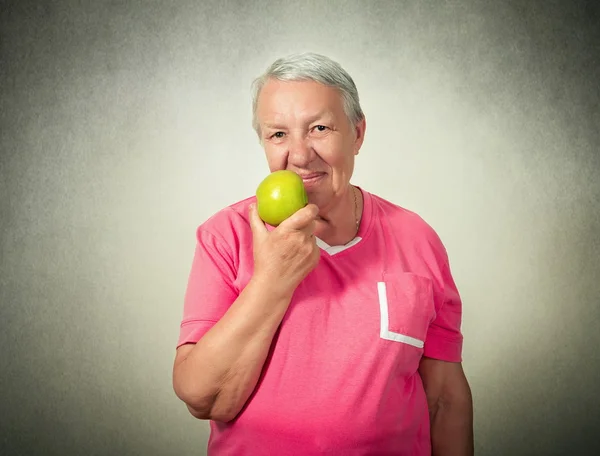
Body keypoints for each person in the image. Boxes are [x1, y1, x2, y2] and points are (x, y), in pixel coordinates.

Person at [172, 52, 474, 456]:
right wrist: (273, 280)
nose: (299, 155)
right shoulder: (226, 236)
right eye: (278, 134)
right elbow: (202, 398)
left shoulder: (417, 239)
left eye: (319, 128)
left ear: (358, 133)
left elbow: (444, 399)